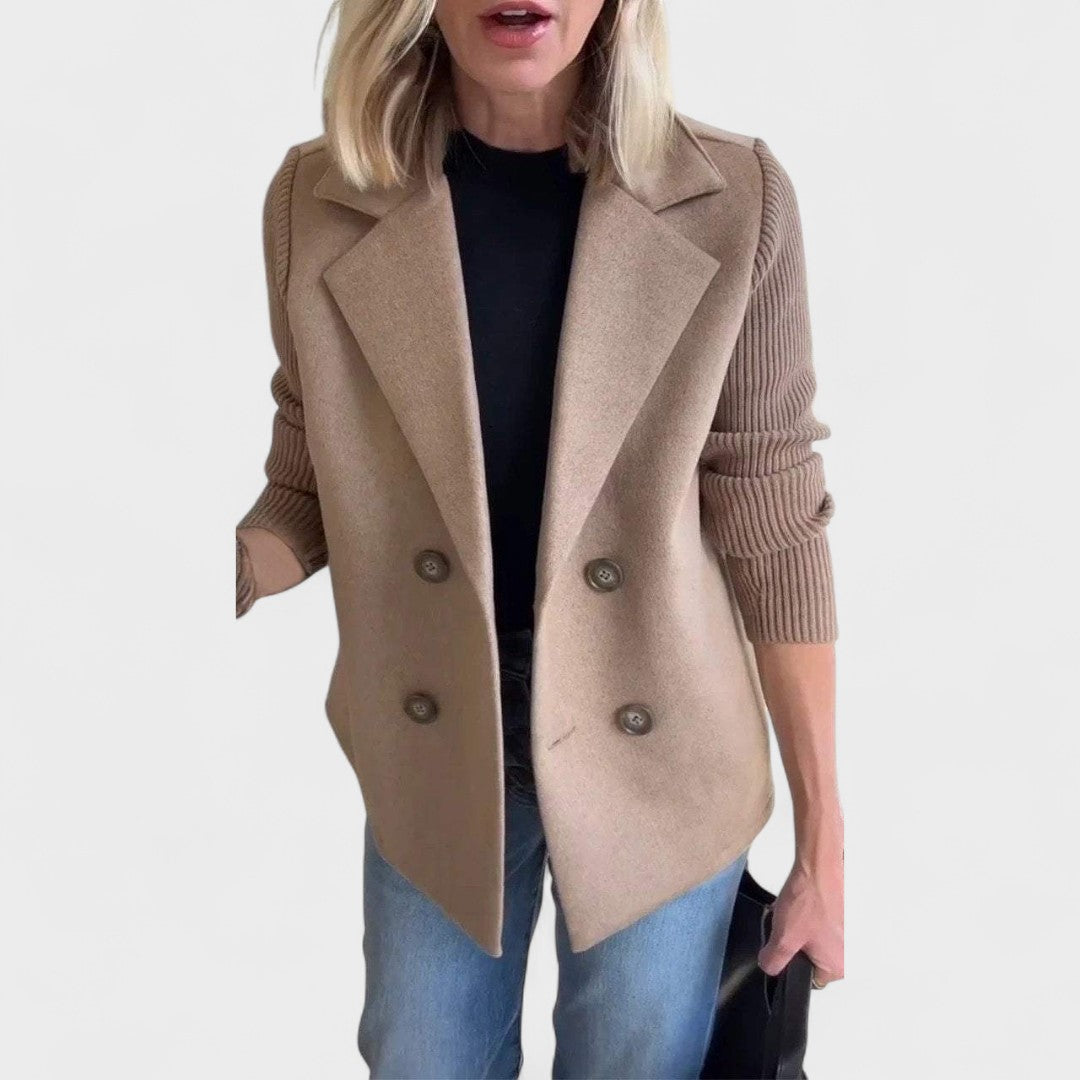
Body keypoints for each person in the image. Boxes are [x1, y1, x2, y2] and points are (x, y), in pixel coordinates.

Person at [234, 0, 844, 1075]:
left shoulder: (733, 197)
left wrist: (823, 844)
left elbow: (775, 517)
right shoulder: (316, 201)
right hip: (433, 747)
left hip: (667, 757)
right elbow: (304, 478)